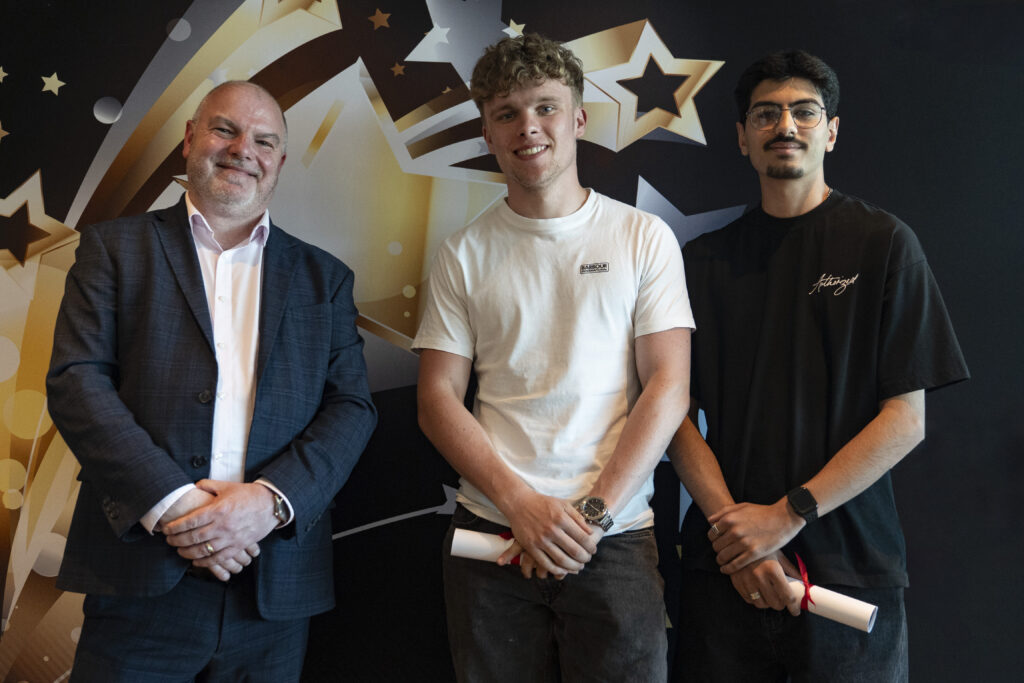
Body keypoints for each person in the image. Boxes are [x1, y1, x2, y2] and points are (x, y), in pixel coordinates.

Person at [46, 80, 377, 681]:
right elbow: (77, 382)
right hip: (139, 581)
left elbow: (351, 407)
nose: (243, 149)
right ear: (189, 139)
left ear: (279, 160)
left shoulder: (324, 278)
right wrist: (181, 508)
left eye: (264, 141)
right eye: (225, 129)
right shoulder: (114, 249)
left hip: (273, 590)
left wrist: (269, 503)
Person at [668, 50, 969, 681]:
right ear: (743, 137)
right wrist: (738, 539)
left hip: (850, 569)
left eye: (804, 112)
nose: (786, 126)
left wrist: (783, 518)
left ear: (830, 131)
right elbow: (672, 413)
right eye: (766, 114)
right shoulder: (701, 262)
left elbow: (905, 421)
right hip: (725, 573)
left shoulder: (884, 244)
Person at [413, 34, 693, 681]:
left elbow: (668, 385)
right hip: (495, 533)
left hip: (615, 538)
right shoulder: (463, 252)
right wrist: (520, 505)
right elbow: (436, 399)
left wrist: (591, 516)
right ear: (487, 131)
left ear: (578, 118)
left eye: (545, 107)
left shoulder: (641, 236)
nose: (528, 127)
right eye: (507, 113)